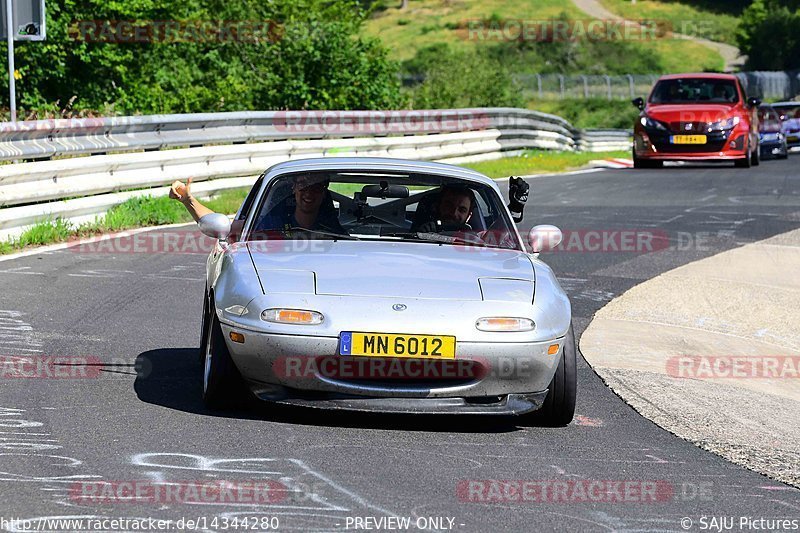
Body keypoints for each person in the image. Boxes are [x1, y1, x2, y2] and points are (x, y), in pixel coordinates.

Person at [169, 173, 347, 237]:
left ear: (324, 193)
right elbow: (224, 226)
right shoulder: (269, 223)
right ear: (294, 188)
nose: (309, 193)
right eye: (303, 185)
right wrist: (188, 200)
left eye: (316, 187)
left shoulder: (334, 231)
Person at [410, 184, 476, 232]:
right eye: (449, 206)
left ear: (469, 216)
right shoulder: (421, 233)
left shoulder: (475, 242)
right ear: (437, 206)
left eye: (462, 210)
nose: (454, 213)